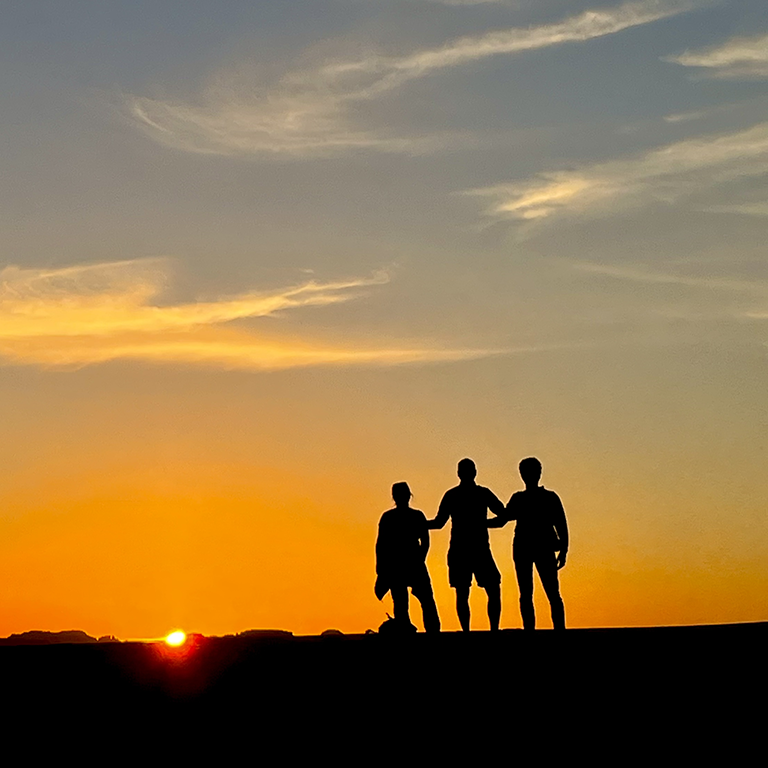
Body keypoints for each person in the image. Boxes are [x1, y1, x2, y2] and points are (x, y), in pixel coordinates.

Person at [427, 459, 505, 632]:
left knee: (466, 592)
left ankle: (470, 632)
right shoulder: (480, 493)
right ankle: (490, 630)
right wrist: (484, 523)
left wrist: (419, 524)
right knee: (484, 590)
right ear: (474, 472)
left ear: (459, 473)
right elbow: (503, 516)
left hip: (465, 550)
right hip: (474, 550)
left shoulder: (454, 495)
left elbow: (439, 523)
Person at [491, 457, 568, 630]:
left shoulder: (548, 497)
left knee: (550, 593)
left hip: (539, 547)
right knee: (528, 593)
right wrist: (481, 523)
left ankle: (557, 631)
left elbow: (561, 524)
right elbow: (503, 519)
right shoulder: (521, 498)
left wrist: (564, 550)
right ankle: (531, 631)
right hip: (525, 548)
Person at [375, 482, 440, 633]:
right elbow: (425, 542)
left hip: (398, 565)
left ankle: (408, 633)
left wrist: (380, 569)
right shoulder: (416, 516)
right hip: (409, 563)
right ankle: (431, 633)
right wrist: (419, 559)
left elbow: (380, 545)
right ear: (409, 496)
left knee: (403, 602)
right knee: (424, 601)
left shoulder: (389, 517)